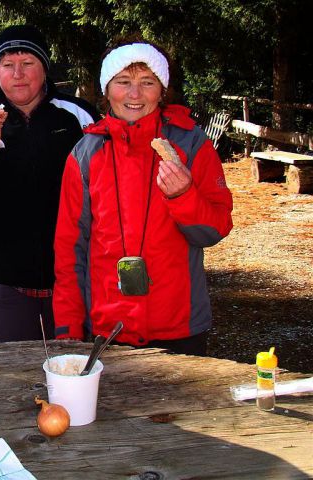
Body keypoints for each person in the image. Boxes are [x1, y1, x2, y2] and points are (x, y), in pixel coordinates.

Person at [53, 40, 233, 355]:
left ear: (161, 91)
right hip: (108, 329)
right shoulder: (85, 155)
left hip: (179, 326)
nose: (134, 94)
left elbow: (215, 229)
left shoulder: (191, 145)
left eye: (147, 83)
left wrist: (183, 195)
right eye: (123, 82)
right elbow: (70, 248)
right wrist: (68, 325)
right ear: (107, 90)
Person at [0, 25, 98, 343]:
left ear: (44, 68)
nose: (18, 74)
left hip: (73, 274)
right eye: (7, 65)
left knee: (72, 373)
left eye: (27, 63)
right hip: (2, 277)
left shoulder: (78, 116)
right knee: (8, 376)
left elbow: (105, 187)